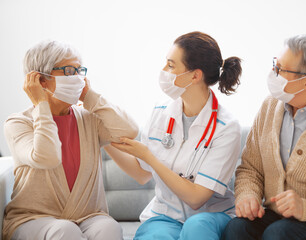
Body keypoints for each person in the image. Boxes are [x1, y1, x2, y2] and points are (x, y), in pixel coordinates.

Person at [105, 31, 242, 240]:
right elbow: (142, 173)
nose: (163, 71)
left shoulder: (226, 127)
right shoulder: (160, 112)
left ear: (195, 75)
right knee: (154, 237)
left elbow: (196, 198)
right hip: (165, 215)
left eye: (170, 65)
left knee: (196, 229)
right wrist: (104, 140)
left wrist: (150, 157)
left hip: (210, 216)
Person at [221, 34, 306, 240]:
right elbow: (251, 168)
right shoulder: (270, 107)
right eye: (275, 65)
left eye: (281, 70)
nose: (273, 73)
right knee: (237, 228)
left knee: (279, 234)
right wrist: (248, 195)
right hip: (279, 218)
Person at [3, 40, 138, 240]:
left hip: (88, 217)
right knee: (65, 231)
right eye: (68, 71)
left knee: (109, 228)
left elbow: (129, 130)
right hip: (34, 219)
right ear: (41, 80)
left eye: (79, 70)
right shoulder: (18, 123)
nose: (77, 78)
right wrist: (41, 104)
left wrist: (89, 96)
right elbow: (46, 157)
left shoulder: (89, 119)